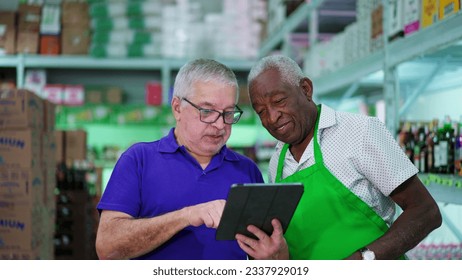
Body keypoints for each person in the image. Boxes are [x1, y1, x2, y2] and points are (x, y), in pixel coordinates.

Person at [235, 54, 442, 260]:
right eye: (261, 111)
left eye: (279, 101)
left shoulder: (360, 132)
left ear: (306, 89)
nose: (271, 117)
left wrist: (364, 260)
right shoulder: (277, 163)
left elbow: (425, 211)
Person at [95, 58, 264, 260]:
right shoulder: (138, 160)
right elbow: (107, 247)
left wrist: (273, 254)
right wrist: (185, 217)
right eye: (207, 111)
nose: (220, 125)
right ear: (177, 108)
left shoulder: (247, 170)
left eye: (228, 113)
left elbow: (258, 252)